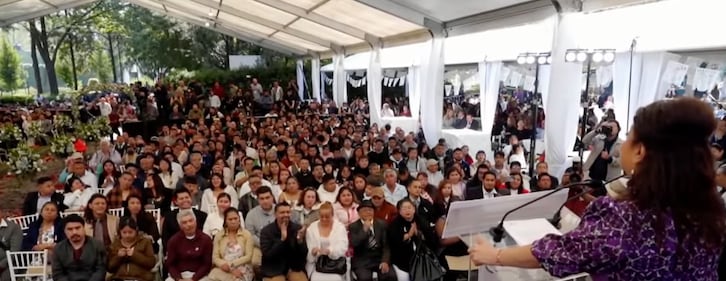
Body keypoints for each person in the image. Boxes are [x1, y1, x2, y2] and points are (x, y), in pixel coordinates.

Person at [469, 98, 726, 280]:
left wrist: (494, 255)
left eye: (629, 136)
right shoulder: (711, 214)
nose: (622, 144)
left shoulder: (623, 218)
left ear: (639, 151)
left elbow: (559, 253)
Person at [387, 199, 438, 281]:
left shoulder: (421, 221)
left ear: (414, 209)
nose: (407, 210)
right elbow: (394, 241)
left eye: (409, 207)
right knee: (403, 278)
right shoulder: (395, 224)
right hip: (402, 261)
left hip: (422, 260)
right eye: (404, 208)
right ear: (399, 211)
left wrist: (418, 234)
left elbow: (431, 239)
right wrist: (409, 235)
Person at [349, 200, 397, 281]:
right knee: (365, 278)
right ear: (359, 213)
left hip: (379, 258)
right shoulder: (353, 226)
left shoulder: (382, 224)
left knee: (390, 276)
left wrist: (385, 261)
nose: (368, 212)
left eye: (370, 210)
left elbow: (386, 246)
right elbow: (355, 243)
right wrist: (364, 230)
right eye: (365, 210)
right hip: (362, 260)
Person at [259, 202, 308, 281]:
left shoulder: (297, 228)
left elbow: (303, 254)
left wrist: (300, 241)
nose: (285, 215)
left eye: (288, 212)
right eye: (282, 212)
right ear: (275, 214)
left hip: (293, 267)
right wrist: (282, 239)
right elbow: (267, 255)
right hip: (274, 269)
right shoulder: (266, 231)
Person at [52, 214, 107, 281]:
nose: (74, 232)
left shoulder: (97, 245)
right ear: (64, 231)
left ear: (84, 228)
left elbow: (100, 270)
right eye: (70, 229)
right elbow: (58, 274)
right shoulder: (58, 249)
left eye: (78, 228)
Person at [165, 209, 213, 281]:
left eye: (191, 221)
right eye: (184, 222)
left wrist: (194, 278)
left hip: (199, 275)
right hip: (179, 275)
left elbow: (206, 264)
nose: (189, 224)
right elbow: (170, 264)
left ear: (195, 222)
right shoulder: (173, 240)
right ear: (180, 226)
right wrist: (178, 279)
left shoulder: (206, 239)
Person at [305, 202, 349, 281]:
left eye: (327, 217)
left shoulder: (340, 227)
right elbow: (309, 248)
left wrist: (330, 251)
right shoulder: (311, 228)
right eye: (322, 217)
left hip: (335, 264)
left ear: (332, 215)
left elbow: (343, 247)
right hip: (317, 264)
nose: (324, 219)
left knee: (336, 279)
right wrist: (313, 251)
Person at [208, 208, 255, 281]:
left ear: (239, 219)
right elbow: (215, 257)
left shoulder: (246, 235)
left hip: (242, 267)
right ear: (225, 221)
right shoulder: (219, 235)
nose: (233, 221)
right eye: (230, 219)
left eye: (235, 218)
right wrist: (225, 265)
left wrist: (232, 265)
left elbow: (248, 256)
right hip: (224, 267)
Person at [582, 119, 623, 185]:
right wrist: (595, 132)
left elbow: (622, 162)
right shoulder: (599, 138)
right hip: (592, 176)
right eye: (608, 127)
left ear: (618, 129)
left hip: (609, 179)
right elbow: (584, 141)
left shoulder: (621, 144)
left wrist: (610, 159)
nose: (610, 128)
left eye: (612, 127)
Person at [0, 208, 22, 281]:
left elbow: (15, 251)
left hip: (8, 264)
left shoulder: (14, 228)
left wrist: (1, 265)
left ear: (1, 213)